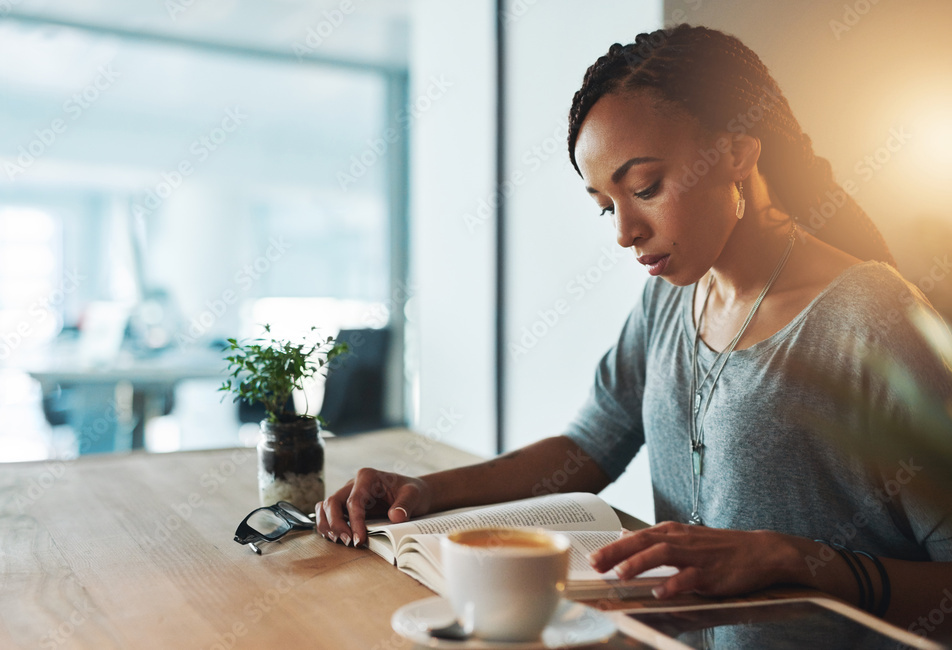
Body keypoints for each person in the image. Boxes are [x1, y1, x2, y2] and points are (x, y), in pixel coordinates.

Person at [316, 24, 952, 633]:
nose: (624, 233)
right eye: (605, 207)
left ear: (736, 153)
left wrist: (798, 562)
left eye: (645, 187)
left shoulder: (875, 320)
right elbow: (587, 449)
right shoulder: (672, 300)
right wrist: (423, 491)